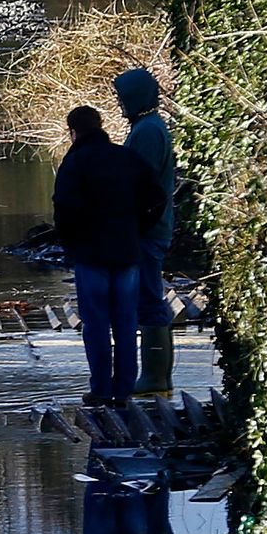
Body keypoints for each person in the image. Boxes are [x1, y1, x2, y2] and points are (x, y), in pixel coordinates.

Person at [53, 106, 166, 406]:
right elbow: (157, 197)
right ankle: (124, 391)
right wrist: (139, 229)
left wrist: (69, 246)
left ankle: (101, 389)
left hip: (91, 256)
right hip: (127, 252)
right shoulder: (127, 158)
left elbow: (63, 208)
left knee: (96, 325)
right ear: (101, 126)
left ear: (73, 132)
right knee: (127, 324)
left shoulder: (74, 163)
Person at [114, 68, 178, 395]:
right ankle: (157, 377)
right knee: (149, 296)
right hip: (150, 227)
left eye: (122, 96)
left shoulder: (148, 132)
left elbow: (141, 185)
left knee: (149, 298)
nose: (119, 103)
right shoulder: (148, 127)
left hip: (147, 230)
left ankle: (155, 376)